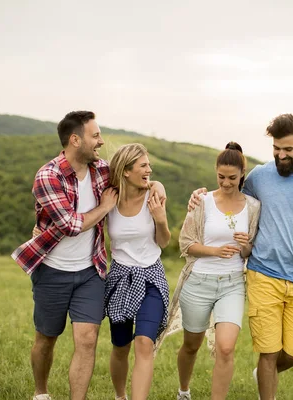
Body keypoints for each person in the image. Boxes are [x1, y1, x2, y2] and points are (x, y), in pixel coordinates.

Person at [188, 114, 293, 400]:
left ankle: (264, 373)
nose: (281, 155)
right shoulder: (259, 177)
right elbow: (229, 192)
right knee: (269, 352)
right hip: (263, 274)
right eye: (276, 148)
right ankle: (267, 383)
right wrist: (199, 196)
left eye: (288, 149)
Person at [12, 112, 164, 400]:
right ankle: (41, 392)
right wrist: (105, 208)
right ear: (75, 139)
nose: (101, 141)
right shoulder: (48, 175)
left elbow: (135, 175)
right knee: (46, 338)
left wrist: (155, 184)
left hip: (90, 272)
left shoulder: (102, 171)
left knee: (87, 339)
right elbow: (70, 225)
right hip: (52, 270)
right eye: (95, 136)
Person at [156, 142, 261, 400]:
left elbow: (248, 252)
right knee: (192, 344)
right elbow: (185, 244)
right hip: (199, 282)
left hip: (232, 283)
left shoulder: (253, 206)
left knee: (226, 348)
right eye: (221, 177)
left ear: (242, 174)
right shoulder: (202, 201)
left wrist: (246, 245)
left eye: (232, 178)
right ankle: (183, 391)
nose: (226, 183)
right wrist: (216, 251)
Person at [104, 143, 171, 400]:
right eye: (143, 166)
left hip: (151, 277)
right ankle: (120, 396)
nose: (149, 170)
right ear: (126, 171)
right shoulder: (109, 200)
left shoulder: (153, 197)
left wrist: (161, 218)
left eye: (149, 165)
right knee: (121, 346)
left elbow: (163, 242)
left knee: (145, 343)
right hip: (121, 277)